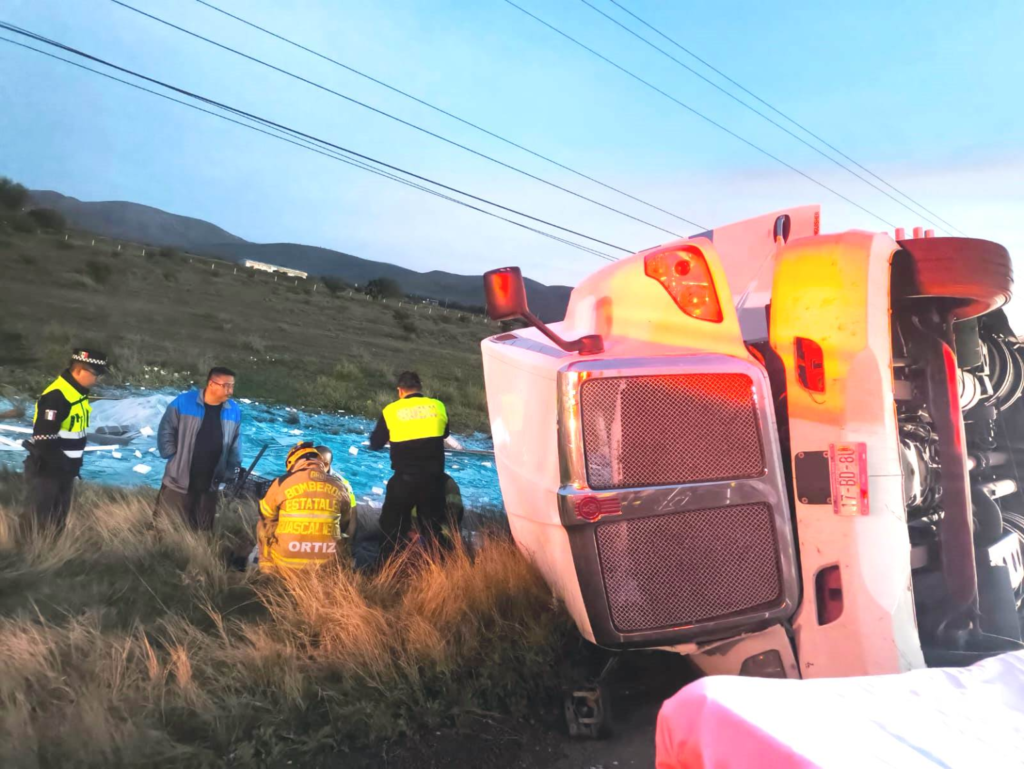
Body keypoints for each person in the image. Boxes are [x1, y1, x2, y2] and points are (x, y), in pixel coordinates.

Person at [22, 348, 108, 533]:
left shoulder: (77, 394)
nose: (98, 379)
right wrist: (63, 465)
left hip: (64, 470)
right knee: (38, 522)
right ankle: (27, 550)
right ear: (80, 370)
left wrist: (70, 467)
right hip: (47, 471)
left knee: (57, 522)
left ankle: (54, 548)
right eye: (96, 374)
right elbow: (44, 438)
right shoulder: (57, 395)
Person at [369, 371, 453, 558]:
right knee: (434, 530)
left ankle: (389, 567)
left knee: (391, 527)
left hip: (404, 481)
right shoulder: (438, 406)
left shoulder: (391, 411)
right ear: (420, 388)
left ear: (400, 390)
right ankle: (439, 568)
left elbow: (375, 443)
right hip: (433, 481)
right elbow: (445, 433)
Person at [155, 367, 242, 531]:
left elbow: (235, 443)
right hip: (179, 479)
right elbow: (166, 430)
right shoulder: (184, 402)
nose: (230, 391)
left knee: (201, 529)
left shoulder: (233, 410)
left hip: (210, 482)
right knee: (169, 526)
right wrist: (173, 456)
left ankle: (197, 547)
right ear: (211, 384)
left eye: (232, 386)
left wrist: (231, 468)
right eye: (226, 386)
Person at [257, 442, 356, 574]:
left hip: (285, 564)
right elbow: (345, 523)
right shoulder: (340, 485)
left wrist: (265, 563)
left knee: (265, 526)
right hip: (327, 566)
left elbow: (264, 518)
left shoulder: (281, 482)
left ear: (292, 463)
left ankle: (267, 569)